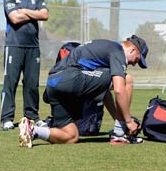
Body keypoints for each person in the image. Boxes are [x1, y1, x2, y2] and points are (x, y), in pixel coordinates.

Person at [18, 35, 149, 147]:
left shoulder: (105, 49)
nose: (133, 64)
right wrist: (127, 122)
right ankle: (120, 136)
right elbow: (120, 90)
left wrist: (118, 120)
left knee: (71, 136)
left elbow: (105, 93)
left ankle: (33, 130)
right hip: (70, 78)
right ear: (132, 50)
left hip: (53, 83)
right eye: (137, 60)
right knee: (127, 80)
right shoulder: (117, 50)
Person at [1, 0, 49, 130]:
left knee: (32, 84)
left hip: (33, 47)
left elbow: (45, 15)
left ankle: (32, 117)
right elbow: (14, 18)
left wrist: (26, 11)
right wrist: (34, 13)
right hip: (14, 46)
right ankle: (7, 118)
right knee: (10, 82)